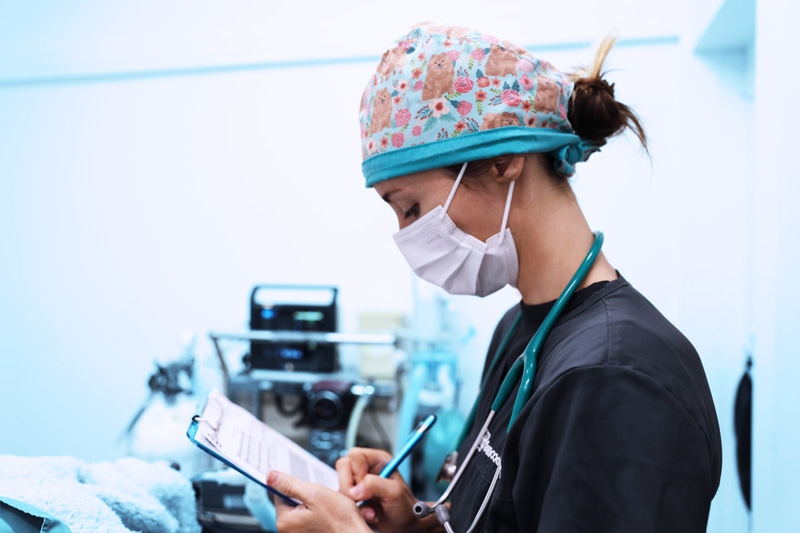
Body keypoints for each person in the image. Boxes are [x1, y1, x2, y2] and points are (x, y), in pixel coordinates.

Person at [266, 23, 722, 532]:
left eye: (412, 208)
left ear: (503, 160)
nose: (407, 237)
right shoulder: (519, 332)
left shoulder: (615, 378)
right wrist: (417, 523)